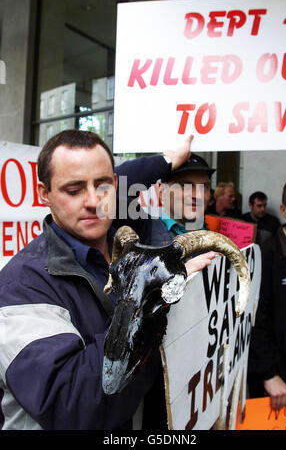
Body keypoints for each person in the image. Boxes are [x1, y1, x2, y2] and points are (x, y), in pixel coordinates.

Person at [0, 130, 217, 430]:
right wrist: (153, 301)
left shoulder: (135, 250)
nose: (93, 201)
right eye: (73, 190)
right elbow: (75, 403)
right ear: (44, 193)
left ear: (116, 185)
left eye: (102, 185)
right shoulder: (22, 284)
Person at [247, 175, 286, 410]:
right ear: (284, 209)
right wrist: (268, 374)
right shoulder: (264, 255)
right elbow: (253, 319)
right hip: (277, 387)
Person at [148, 153, 216, 246]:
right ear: (162, 192)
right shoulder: (145, 234)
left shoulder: (213, 235)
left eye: (204, 186)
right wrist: (162, 161)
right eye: (184, 185)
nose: (198, 196)